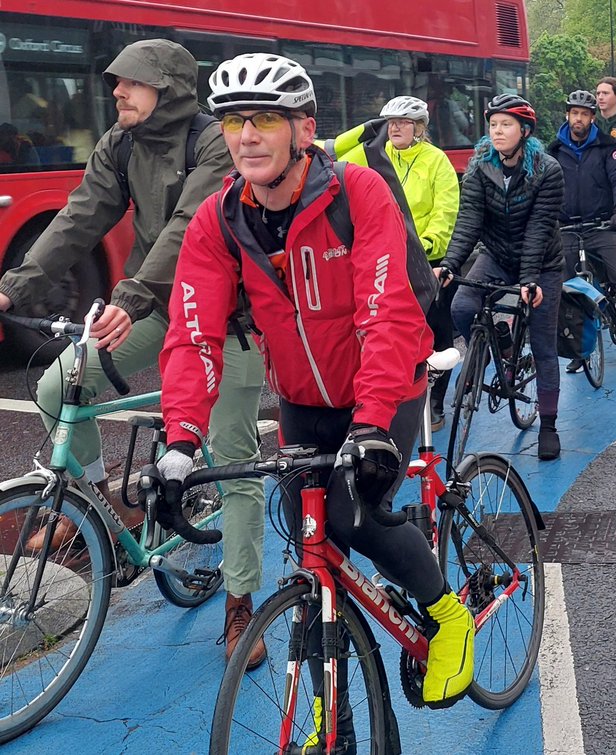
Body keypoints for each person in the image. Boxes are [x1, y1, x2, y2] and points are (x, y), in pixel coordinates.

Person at [158, 54, 474, 723]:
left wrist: (372, 422)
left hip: (384, 387)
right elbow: (194, 332)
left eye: (264, 119)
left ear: (303, 127)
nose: (246, 135)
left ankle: (448, 615)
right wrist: (181, 438)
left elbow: (387, 312)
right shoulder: (220, 220)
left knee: (349, 513)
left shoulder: (357, 194)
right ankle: (334, 722)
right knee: (309, 549)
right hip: (302, 398)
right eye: (234, 121)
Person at [0, 39, 270, 669]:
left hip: (230, 312)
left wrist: (131, 292)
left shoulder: (211, 143)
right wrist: (13, 288)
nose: (116, 91)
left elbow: (186, 222)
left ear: (168, 88)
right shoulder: (118, 144)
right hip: (159, 303)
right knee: (56, 387)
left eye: (131, 82)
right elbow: (79, 218)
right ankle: (101, 521)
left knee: (232, 456)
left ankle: (241, 604)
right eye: (116, 81)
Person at [436, 94, 566, 460]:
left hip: (541, 263)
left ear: (524, 131)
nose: (497, 131)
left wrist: (529, 281)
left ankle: (549, 425)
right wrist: (450, 264)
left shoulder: (547, 170)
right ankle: (504, 346)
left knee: (543, 345)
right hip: (495, 255)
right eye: (493, 125)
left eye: (505, 125)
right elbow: (469, 221)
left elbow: (539, 230)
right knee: (461, 306)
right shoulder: (480, 166)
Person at [328, 95, 460, 431]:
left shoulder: (436, 161)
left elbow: (445, 213)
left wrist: (428, 248)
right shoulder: (373, 153)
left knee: (437, 330)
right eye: (389, 122)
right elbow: (325, 154)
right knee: (383, 332)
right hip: (385, 258)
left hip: (426, 259)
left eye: (403, 122)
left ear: (419, 128)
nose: (395, 128)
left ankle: (436, 401)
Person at [548, 90, 616, 363]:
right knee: (568, 288)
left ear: (592, 118)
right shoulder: (555, 151)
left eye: (584, 114)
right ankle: (579, 346)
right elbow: (545, 190)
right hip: (569, 229)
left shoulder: (608, 147)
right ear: (567, 115)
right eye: (574, 113)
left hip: (602, 226)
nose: (578, 119)